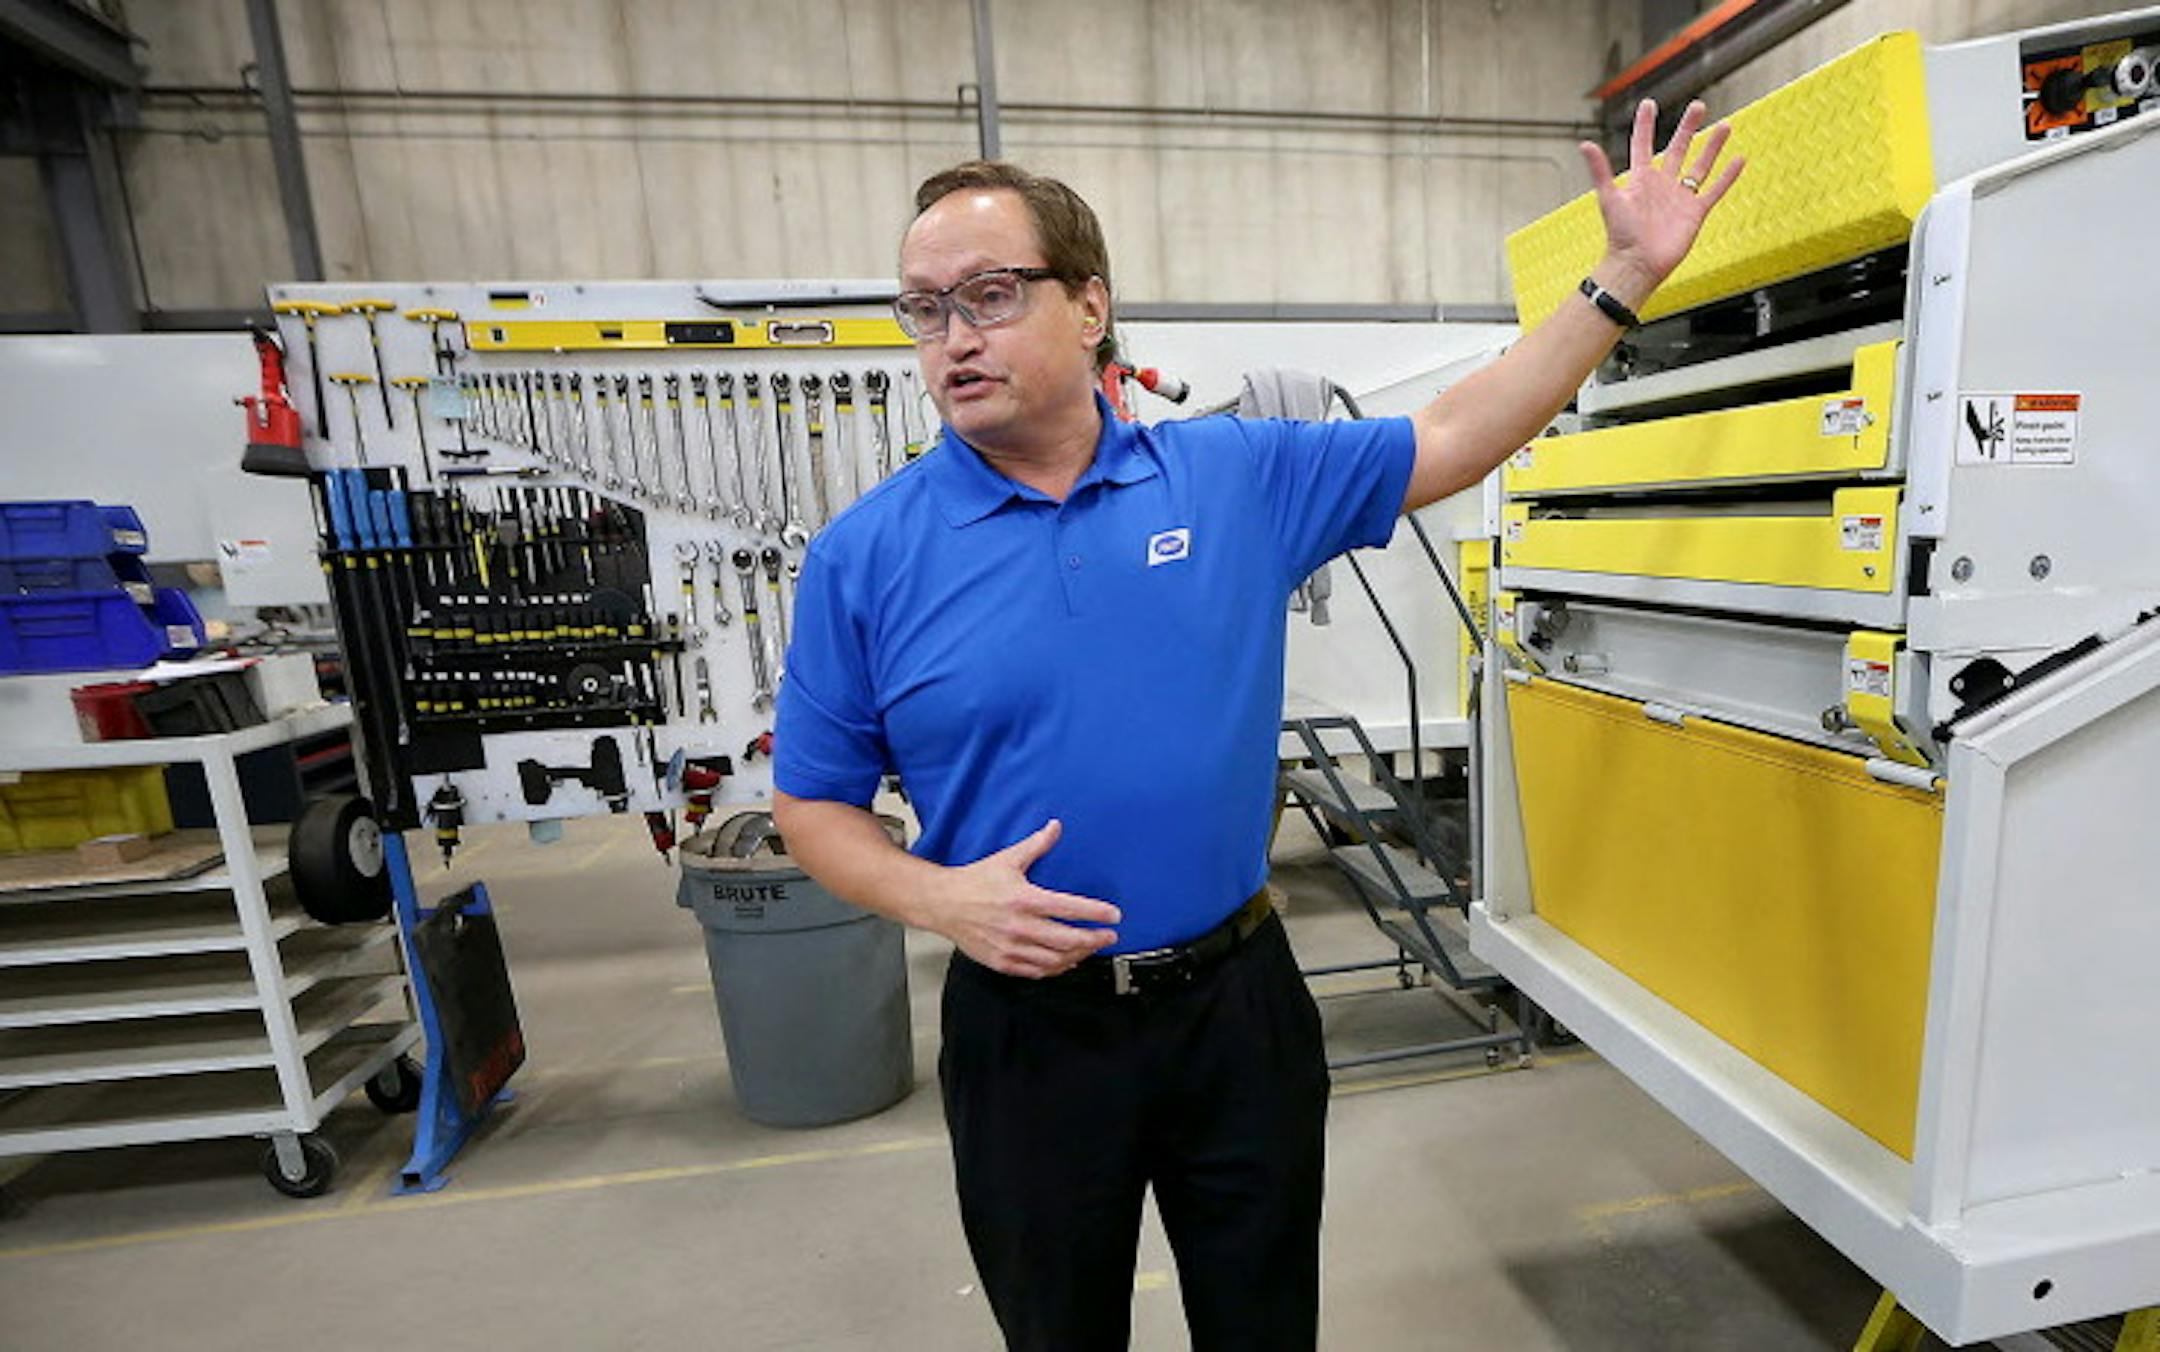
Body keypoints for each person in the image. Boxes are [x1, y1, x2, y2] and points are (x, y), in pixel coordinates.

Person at [771, 98, 1743, 1351]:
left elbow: (1456, 433)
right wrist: (939, 898)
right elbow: (812, 805)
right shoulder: (866, 556)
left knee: (1266, 1326)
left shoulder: (1232, 478)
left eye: (991, 294)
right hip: (1029, 1034)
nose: (954, 336)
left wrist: (1623, 279)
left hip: (1235, 1008)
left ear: (1089, 304)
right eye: (926, 307)